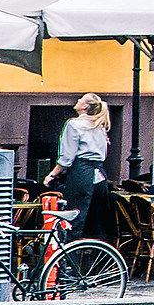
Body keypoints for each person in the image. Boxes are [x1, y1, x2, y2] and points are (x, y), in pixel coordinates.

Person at [47, 95, 111, 240]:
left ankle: (70, 258)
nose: (77, 101)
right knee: (95, 220)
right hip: (100, 174)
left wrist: (51, 175)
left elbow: (67, 157)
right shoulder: (99, 126)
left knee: (75, 218)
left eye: (81, 99)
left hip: (81, 173)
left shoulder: (74, 124)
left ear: (85, 107)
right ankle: (96, 256)